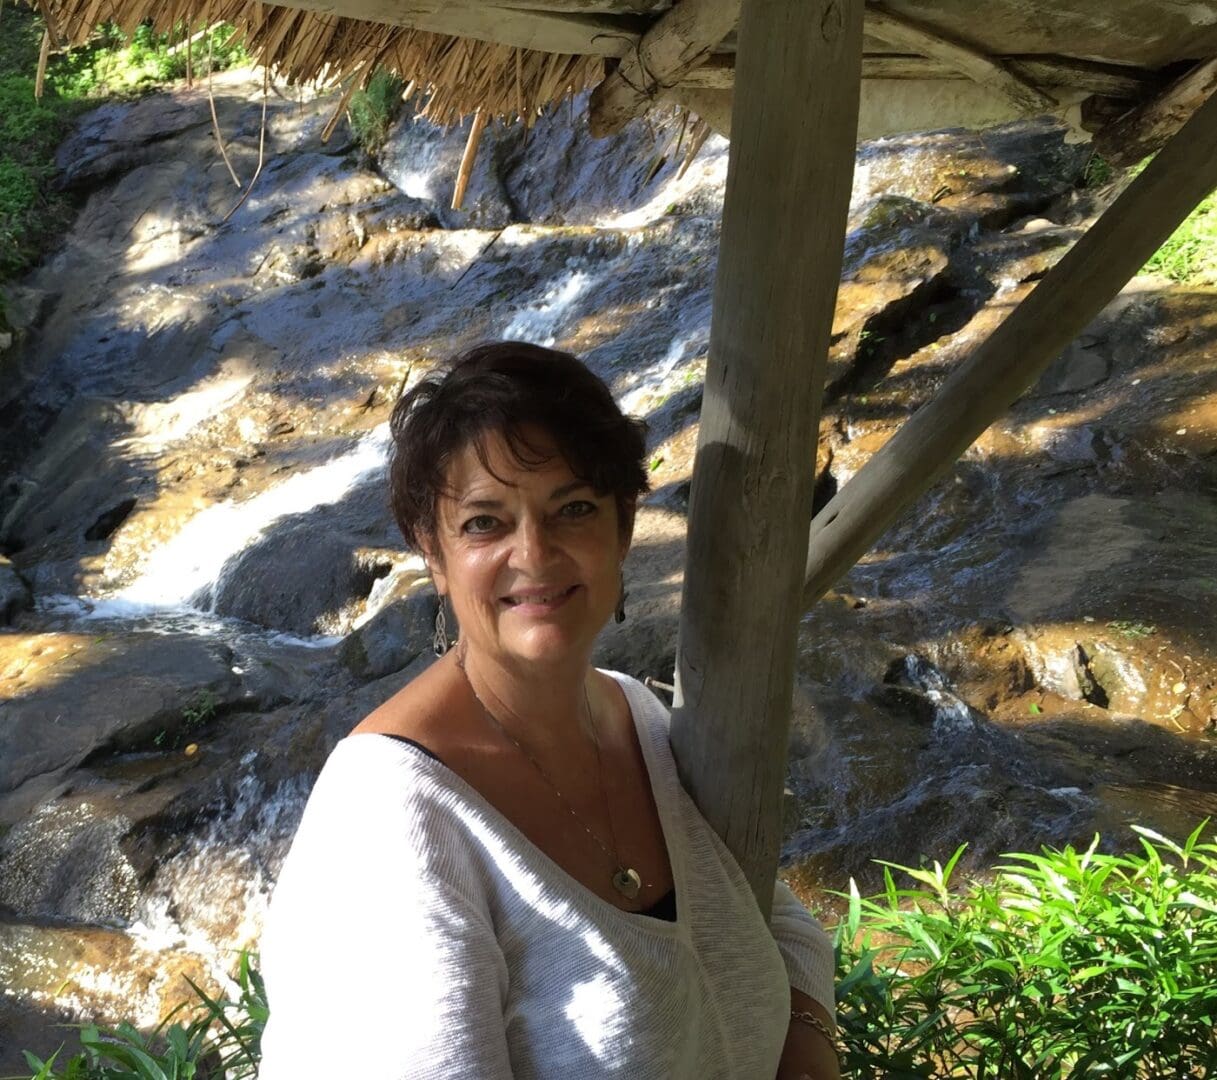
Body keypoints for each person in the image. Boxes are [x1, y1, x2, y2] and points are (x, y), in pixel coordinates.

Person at [258, 341, 839, 1079]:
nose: (534, 553)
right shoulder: (390, 818)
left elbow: (771, 915)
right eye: (483, 523)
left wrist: (808, 1039)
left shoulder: (638, 716)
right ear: (431, 553)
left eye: (572, 509)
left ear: (623, 528)